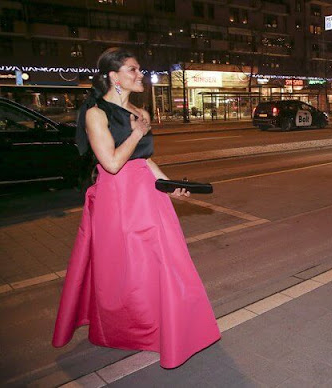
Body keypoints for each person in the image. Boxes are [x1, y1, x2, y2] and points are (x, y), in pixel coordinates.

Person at [52, 48, 221, 369]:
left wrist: (170, 186)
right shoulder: (96, 114)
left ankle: (168, 329)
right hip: (117, 200)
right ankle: (128, 330)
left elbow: (144, 159)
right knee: (126, 270)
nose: (139, 74)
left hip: (147, 195)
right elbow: (113, 162)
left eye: (139, 69)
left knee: (166, 264)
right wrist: (136, 133)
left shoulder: (138, 110)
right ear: (114, 77)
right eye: (132, 70)